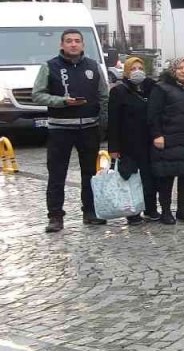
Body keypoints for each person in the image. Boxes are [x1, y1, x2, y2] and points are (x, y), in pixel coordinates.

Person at [34, 29, 110, 232]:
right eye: (69, 41)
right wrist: (61, 101)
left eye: (77, 41)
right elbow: (38, 95)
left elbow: (104, 96)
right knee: (57, 174)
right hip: (60, 129)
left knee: (90, 174)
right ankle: (56, 216)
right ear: (62, 45)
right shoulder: (50, 66)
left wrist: (104, 124)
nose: (73, 44)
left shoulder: (93, 66)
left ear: (83, 45)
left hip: (89, 128)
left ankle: (90, 212)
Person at [148, 58, 184, 224]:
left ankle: (182, 209)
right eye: (180, 68)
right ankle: (165, 211)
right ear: (173, 70)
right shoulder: (161, 88)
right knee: (167, 177)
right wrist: (156, 135)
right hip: (168, 138)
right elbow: (153, 114)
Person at [107, 56, 157, 224]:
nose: (137, 72)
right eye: (133, 69)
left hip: (148, 142)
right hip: (128, 144)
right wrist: (113, 147)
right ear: (127, 72)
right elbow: (113, 121)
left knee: (149, 178)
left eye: (140, 68)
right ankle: (132, 212)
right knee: (130, 178)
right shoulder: (118, 91)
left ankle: (151, 209)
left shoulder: (150, 89)